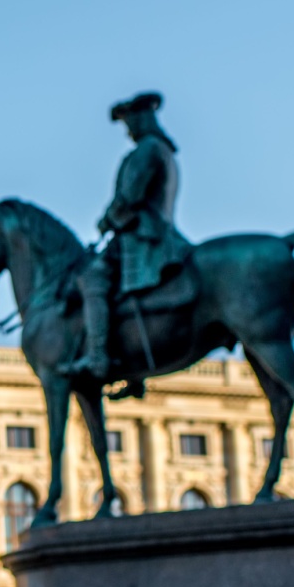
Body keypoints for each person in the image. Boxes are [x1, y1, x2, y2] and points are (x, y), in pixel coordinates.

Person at [63, 91, 192, 380]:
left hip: (144, 239)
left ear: (141, 120)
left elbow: (130, 196)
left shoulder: (147, 150)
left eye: (129, 123)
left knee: (92, 280)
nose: (128, 131)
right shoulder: (164, 151)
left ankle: (98, 357)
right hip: (156, 233)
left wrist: (107, 220)